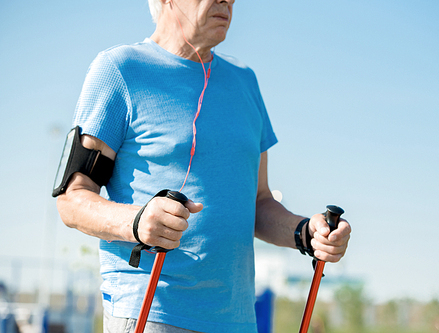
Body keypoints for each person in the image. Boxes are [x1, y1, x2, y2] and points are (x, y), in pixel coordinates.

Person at [55, 0, 351, 332]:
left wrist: (305, 233)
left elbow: (258, 203)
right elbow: (72, 200)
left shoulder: (245, 82)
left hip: (237, 319)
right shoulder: (120, 69)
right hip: (152, 311)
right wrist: (136, 222)